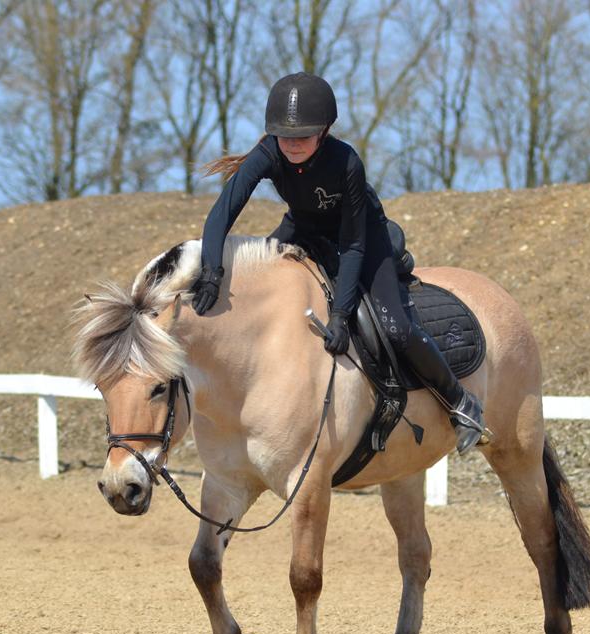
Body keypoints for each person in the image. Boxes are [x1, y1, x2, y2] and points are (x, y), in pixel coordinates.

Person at [193, 72, 485, 454]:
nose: (292, 145)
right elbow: (222, 214)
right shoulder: (267, 152)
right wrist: (211, 270)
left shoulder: (346, 161)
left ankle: (461, 402)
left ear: (325, 130)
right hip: (304, 227)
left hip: (363, 238)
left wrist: (342, 315)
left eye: (303, 136)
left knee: (396, 328)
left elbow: (353, 245)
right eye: (284, 136)